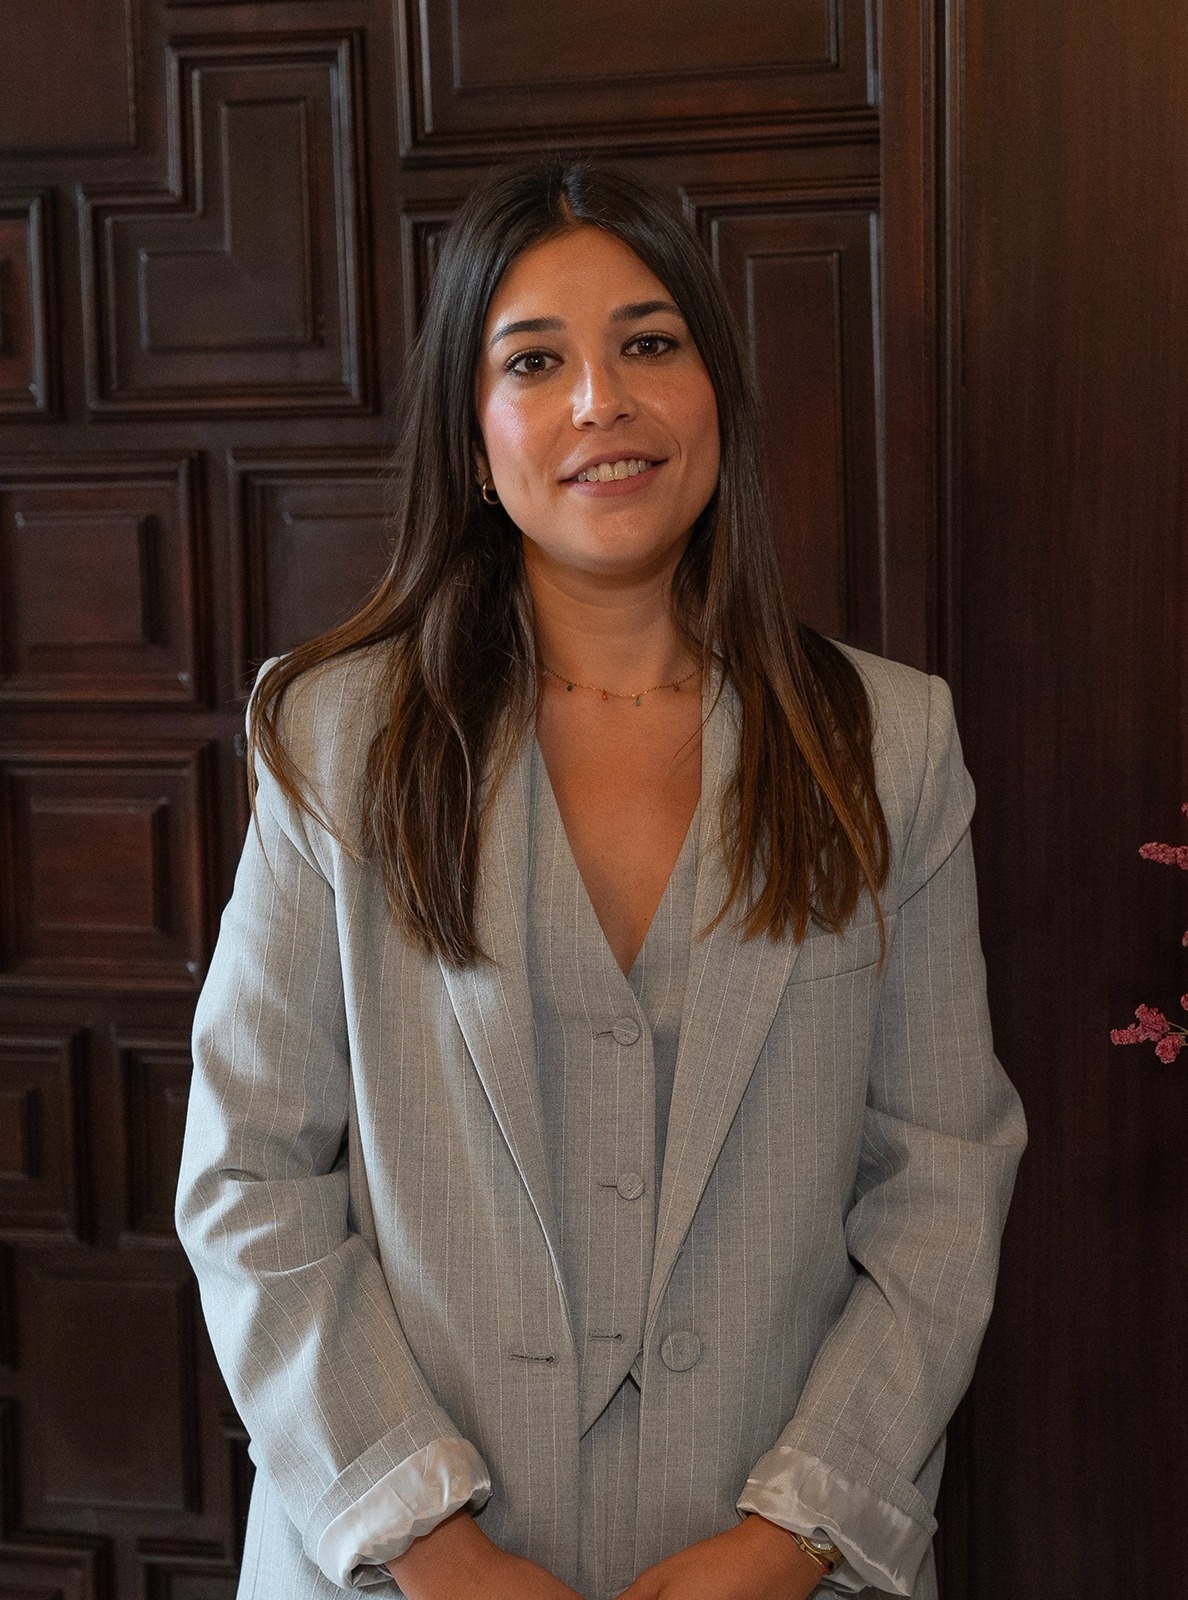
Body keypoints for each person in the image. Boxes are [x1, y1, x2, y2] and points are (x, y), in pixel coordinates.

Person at [176, 159, 1026, 1600]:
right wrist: (428, 1544)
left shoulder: (886, 743)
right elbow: (249, 1178)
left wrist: (791, 1534)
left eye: (648, 343)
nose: (599, 403)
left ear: (713, 389)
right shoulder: (334, 738)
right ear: (475, 424)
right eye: (535, 361)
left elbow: (942, 1181)